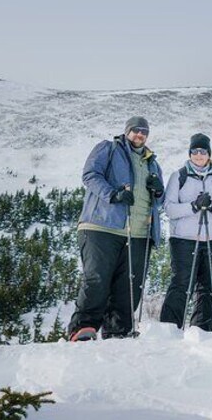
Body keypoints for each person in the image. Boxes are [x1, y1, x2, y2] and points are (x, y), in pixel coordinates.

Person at [68, 116, 165, 341]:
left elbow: (159, 202)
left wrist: (158, 191)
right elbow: (90, 175)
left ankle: (118, 331)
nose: (140, 134)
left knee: (129, 285)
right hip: (102, 226)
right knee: (97, 279)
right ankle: (83, 328)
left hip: (139, 232)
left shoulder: (153, 163)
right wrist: (113, 194)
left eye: (144, 131)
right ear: (127, 131)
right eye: (136, 130)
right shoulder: (109, 149)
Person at [159, 133, 212, 331]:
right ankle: (169, 329)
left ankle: (201, 331)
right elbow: (169, 208)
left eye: (203, 151)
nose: (199, 155)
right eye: (195, 151)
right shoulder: (179, 176)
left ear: (209, 154)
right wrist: (193, 206)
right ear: (190, 153)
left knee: (210, 286)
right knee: (181, 283)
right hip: (184, 239)